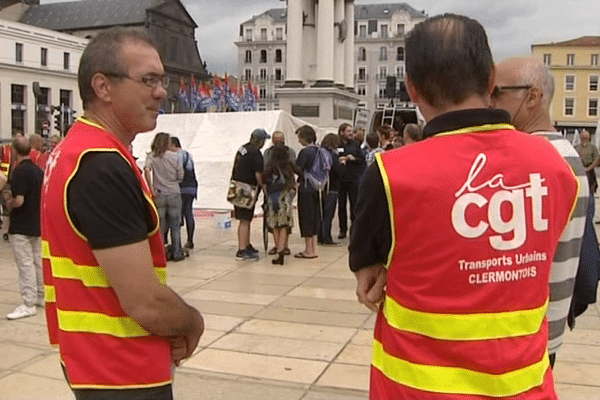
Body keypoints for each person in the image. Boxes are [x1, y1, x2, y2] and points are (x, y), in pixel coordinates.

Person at [349, 14, 579, 399]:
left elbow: (369, 283)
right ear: (490, 80)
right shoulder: (556, 167)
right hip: (524, 386)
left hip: (415, 389)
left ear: (412, 89)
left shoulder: (391, 175)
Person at [41, 28, 204, 399]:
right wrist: (192, 322)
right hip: (122, 370)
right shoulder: (100, 164)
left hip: (92, 360)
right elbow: (144, 301)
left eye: (162, 80)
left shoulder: (70, 152)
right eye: (148, 80)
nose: (162, 92)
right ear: (103, 87)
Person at [493, 56, 594, 367]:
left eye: (497, 92)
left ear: (532, 97)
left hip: (523, 336)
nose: (489, 100)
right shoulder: (565, 153)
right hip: (544, 328)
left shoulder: (531, 159)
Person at [5, 135, 43, 320]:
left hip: (21, 225)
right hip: (36, 223)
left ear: (14, 151)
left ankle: (28, 302)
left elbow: (19, 200)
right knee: (37, 261)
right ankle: (41, 296)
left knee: (25, 264)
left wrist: (9, 203)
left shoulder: (20, 172)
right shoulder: (38, 171)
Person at [144, 132, 185, 261]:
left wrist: (151, 188)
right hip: (174, 193)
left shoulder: (151, 156)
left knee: (161, 226)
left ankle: (161, 254)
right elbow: (181, 175)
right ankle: (177, 252)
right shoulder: (174, 157)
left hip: (159, 194)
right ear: (167, 143)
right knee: (175, 226)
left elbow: (146, 169)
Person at [232, 128, 269, 260]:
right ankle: (242, 249)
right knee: (244, 220)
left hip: (237, 186)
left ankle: (246, 244)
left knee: (246, 219)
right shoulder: (256, 153)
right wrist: (264, 187)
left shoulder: (243, 148)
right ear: (261, 141)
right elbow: (258, 174)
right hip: (247, 189)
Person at [263, 143, 301, 264]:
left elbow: (264, 180)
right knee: (284, 224)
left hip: (273, 196)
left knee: (274, 224)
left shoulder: (270, 165)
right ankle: (282, 249)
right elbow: (301, 174)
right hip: (285, 196)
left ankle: (277, 247)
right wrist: (295, 187)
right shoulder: (289, 164)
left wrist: (266, 192)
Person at [295, 125, 320, 259]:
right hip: (318, 187)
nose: (299, 141)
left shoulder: (305, 152)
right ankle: (314, 249)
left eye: (300, 138)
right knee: (315, 217)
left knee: (306, 218)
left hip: (306, 188)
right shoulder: (320, 151)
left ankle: (308, 250)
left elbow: (298, 169)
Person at [169, 136, 198, 250]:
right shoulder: (188, 154)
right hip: (191, 187)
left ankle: (176, 243)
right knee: (189, 213)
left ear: (173, 145)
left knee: (177, 215)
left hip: (181, 188)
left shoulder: (176, 156)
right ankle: (190, 240)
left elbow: (176, 173)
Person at [337, 123, 365, 239]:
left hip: (353, 178)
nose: (350, 133)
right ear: (342, 132)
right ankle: (342, 230)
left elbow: (362, 160)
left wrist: (353, 159)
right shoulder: (337, 144)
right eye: (348, 131)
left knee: (354, 205)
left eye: (351, 131)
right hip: (340, 179)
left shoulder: (355, 144)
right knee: (341, 206)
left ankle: (354, 229)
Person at [318, 133, 343, 246]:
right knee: (329, 214)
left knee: (322, 213)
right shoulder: (332, 155)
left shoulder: (320, 153)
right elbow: (338, 171)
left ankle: (320, 236)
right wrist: (342, 164)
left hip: (321, 186)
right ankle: (326, 237)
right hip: (332, 187)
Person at [574, 129, 599, 193]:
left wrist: (588, 168)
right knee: (580, 190)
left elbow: (597, 160)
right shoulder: (576, 147)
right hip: (579, 172)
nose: (584, 139)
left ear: (589, 138)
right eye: (583, 137)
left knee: (590, 192)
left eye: (586, 137)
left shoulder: (592, 147)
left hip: (590, 172)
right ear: (580, 138)